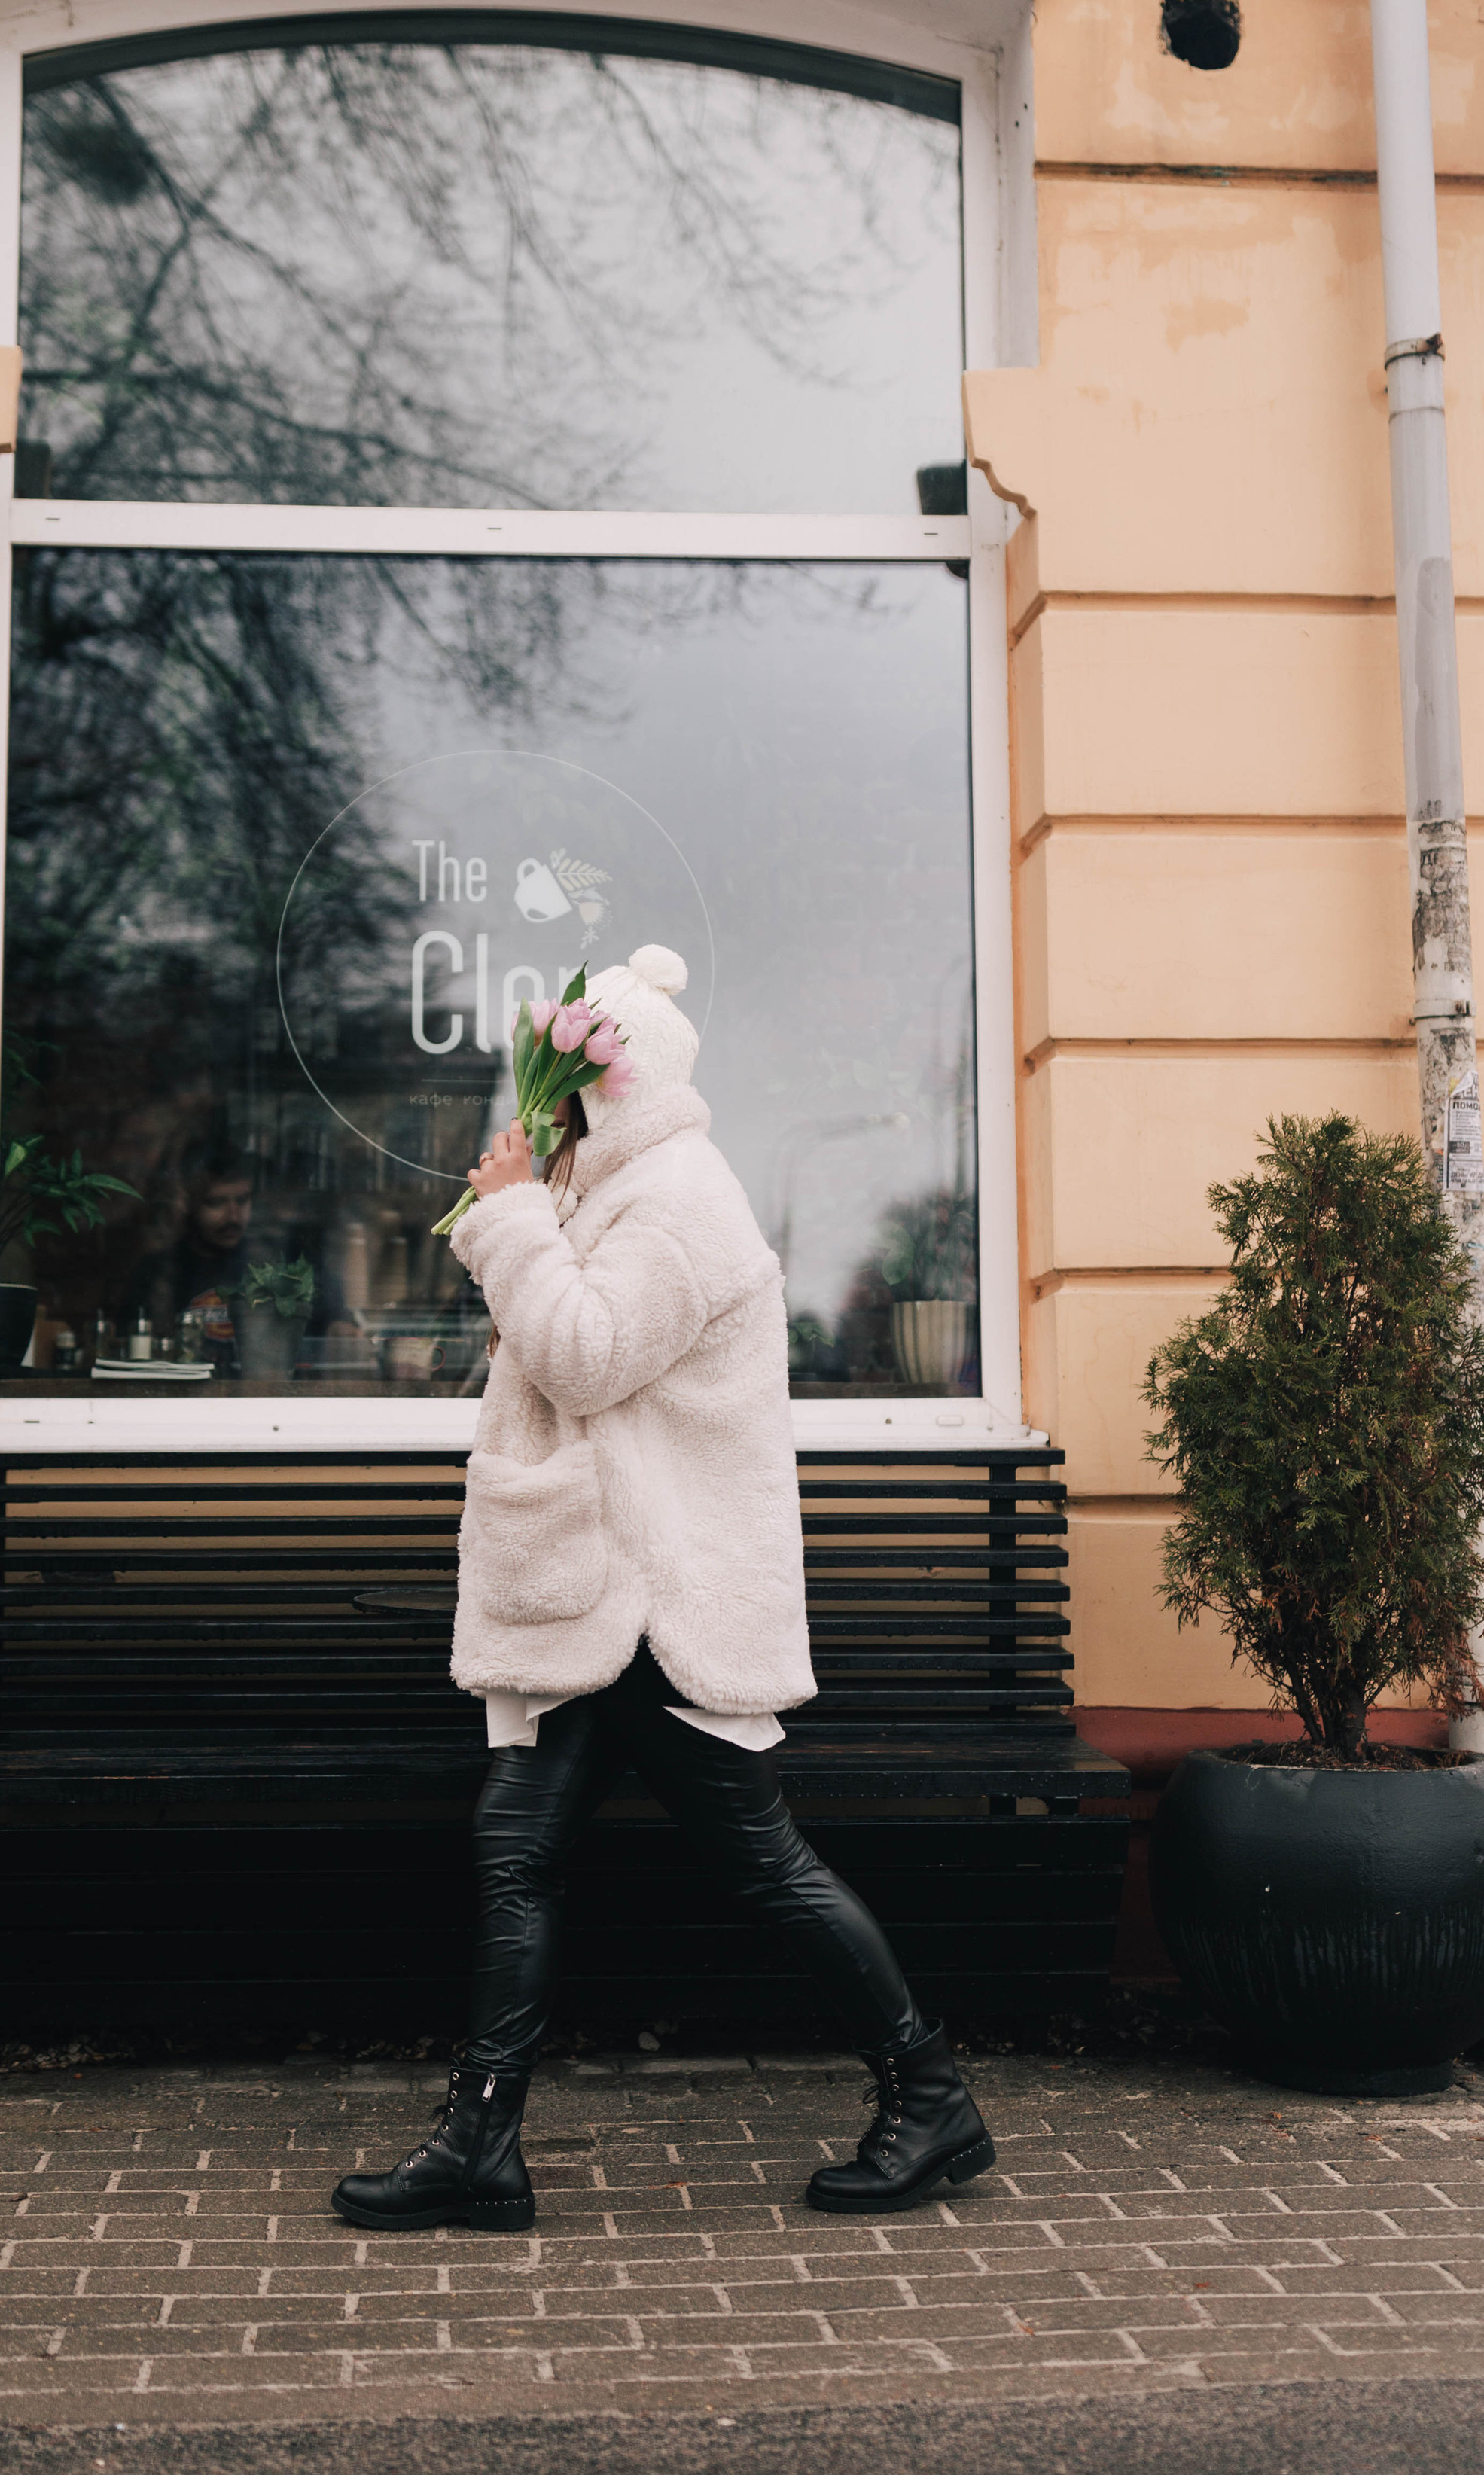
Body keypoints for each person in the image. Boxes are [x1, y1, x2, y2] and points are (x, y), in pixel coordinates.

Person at [331, 943, 993, 2235]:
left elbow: (581, 1356)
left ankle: (931, 2093)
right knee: (519, 1847)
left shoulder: (683, 1202)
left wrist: (513, 1217)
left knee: (756, 1859)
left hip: (654, 1600)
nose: (537, 1120)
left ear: (607, 1093)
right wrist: (528, 1217)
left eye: (557, 1095)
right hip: (602, 1584)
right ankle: (479, 2143)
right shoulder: (616, 1193)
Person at [124, 1143, 255, 1372]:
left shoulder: (267, 1265)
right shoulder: (158, 1272)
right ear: (189, 1204)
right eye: (216, 1203)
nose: (234, 1216)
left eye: (242, 1200)